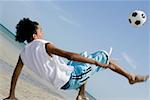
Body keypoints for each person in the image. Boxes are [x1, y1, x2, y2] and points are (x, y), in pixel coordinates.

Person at [3, 18, 149, 100]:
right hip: (70, 80)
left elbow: (16, 74)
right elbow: (69, 55)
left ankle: (81, 95)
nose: (43, 31)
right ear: (34, 35)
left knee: (83, 55)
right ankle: (131, 77)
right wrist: (97, 63)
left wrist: (12, 95)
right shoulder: (43, 44)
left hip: (64, 81)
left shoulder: (23, 53)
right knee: (103, 55)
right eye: (40, 30)